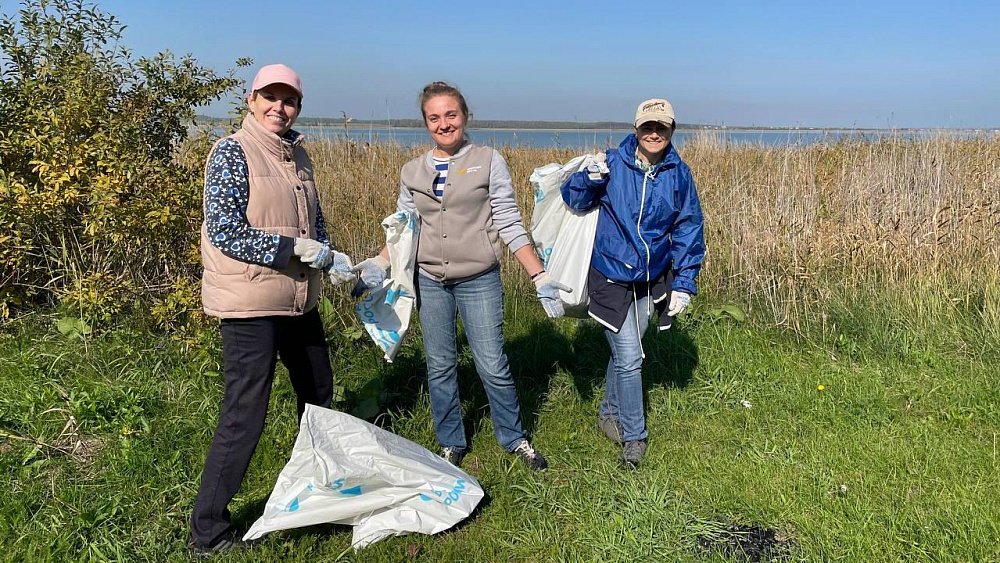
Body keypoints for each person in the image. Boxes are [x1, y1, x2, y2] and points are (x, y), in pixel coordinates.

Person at [353, 82, 567, 471]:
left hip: (479, 279)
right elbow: (404, 227)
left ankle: (514, 437)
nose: (443, 123)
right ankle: (450, 441)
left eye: (450, 114)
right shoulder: (412, 170)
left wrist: (538, 275)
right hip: (430, 281)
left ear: (464, 116)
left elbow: (507, 220)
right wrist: (379, 263)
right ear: (425, 123)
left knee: (491, 362)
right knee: (440, 363)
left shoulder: (487, 160)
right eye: (434, 117)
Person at [189, 64, 354, 554]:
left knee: (319, 390)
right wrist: (294, 251)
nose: (279, 107)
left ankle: (316, 487)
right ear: (251, 99)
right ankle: (208, 529)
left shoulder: (298, 156)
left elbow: (313, 223)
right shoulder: (232, 152)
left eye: (289, 100)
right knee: (246, 413)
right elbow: (225, 230)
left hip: (298, 299)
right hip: (251, 304)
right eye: (270, 97)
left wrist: (333, 257)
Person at [561, 98, 705, 468]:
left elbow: (688, 226)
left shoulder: (678, 173)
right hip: (610, 274)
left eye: (661, 127)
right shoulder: (612, 163)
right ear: (636, 128)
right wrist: (586, 177)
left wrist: (685, 282)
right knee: (630, 358)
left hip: (650, 278)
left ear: (672, 129)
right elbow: (574, 200)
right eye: (647, 127)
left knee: (628, 351)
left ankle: (608, 412)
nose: (653, 133)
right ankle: (634, 437)